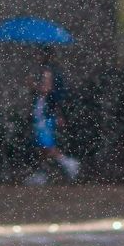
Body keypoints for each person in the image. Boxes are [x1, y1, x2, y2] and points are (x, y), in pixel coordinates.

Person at [25, 50, 80, 184]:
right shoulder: (51, 71)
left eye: (39, 54)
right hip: (44, 112)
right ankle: (42, 174)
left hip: (44, 113)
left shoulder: (48, 72)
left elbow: (46, 89)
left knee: (46, 144)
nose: (36, 57)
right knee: (41, 145)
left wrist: (32, 84)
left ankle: (68, 163)